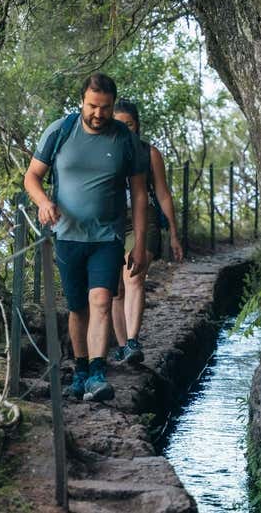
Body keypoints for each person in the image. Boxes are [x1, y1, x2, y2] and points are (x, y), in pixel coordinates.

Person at [24, 73, 149, 401]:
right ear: (82, 101)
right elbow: (32, 177)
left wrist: (141, 245)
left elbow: (138, 194)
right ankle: (80, 372)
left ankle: (97, 372)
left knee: (101, 301)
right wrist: (43, 202)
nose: (98, 113)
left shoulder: (125, 139)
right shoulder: (60, 131)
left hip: (107, 237)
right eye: (93, 106)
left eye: (105, 108)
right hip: (68, 236)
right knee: (78, 307)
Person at [111, 99, 184, 364]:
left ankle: (132, 340)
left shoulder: (148, 152)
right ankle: (121, 345)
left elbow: (163, 194)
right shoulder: (104, 151)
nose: (125, 129)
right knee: (114, 288)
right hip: (111, 221)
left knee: (133, 277)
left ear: (137, 126)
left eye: (129, 124)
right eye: (119, 124)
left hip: (146, 219)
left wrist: (174, 232)